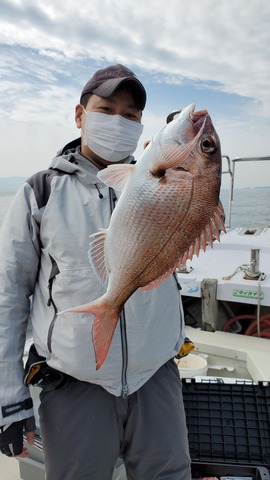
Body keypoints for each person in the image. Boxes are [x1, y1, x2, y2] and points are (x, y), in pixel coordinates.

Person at [0, 64, 192, 479]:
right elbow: (9, 298)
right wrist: (11, 399)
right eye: (106, 109)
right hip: (73, 384)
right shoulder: (40, 191)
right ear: (79, 114)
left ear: (144, 126)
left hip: (156, 376)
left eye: (130, 115)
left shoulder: (168, 180)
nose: (118, 122)